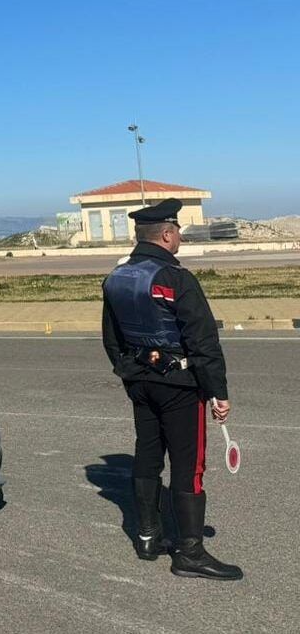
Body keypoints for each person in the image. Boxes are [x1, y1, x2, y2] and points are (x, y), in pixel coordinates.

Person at [101, 198, 240, 580]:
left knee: (147, 454)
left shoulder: (116, 278)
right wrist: (218, 393)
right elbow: (203, 341)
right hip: (179, 384)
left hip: (140, 384)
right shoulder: (177, 278)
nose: (178, 236)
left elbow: (111, 340)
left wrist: (130, 374)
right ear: (166, 234)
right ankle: (190, 553)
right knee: (188, 465)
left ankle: (147, 537)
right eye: (176, 230)